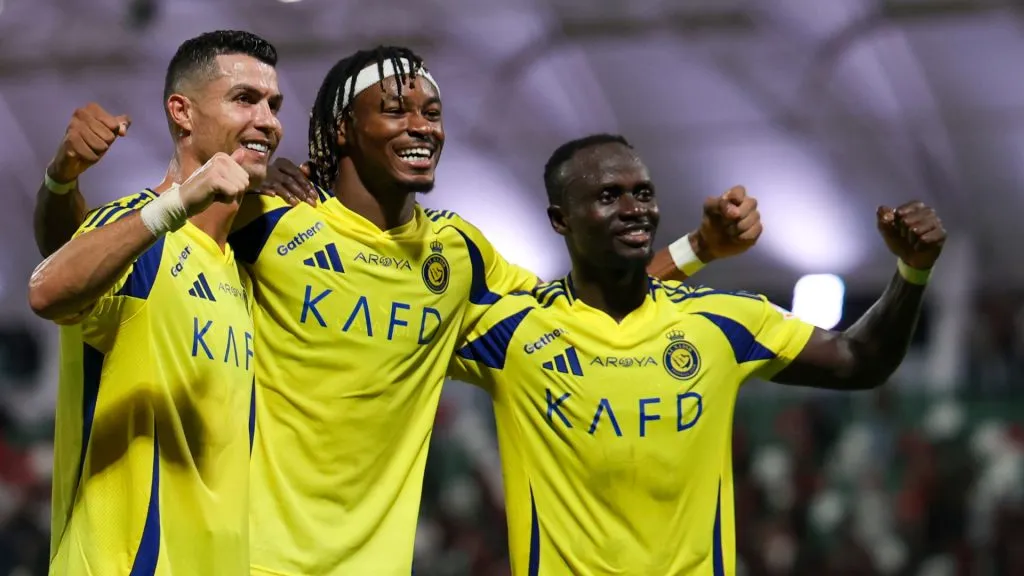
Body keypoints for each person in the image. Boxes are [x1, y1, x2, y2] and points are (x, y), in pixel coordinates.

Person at [32, 45, 760, 575]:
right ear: (343, 130)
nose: (422, 125)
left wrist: (695, 250)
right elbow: (84, 266)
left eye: (434, 112)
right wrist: (63, 180)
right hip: (243, 557)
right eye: (397, 110)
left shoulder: (459, 260)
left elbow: (587, 320)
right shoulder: (268, 221)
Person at [449, 133, 946, 575]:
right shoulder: (511, 333)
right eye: (608, 195)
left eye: (643, 192)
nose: (634, 208)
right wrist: (699, 248)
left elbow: (862, 359)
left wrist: (912, 271)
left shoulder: (720, 323)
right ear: (561, 219)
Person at [27, 30, 283, 575]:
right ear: (181, 112)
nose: (269, 120)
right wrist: (175, 203)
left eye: (273, 105)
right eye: (245, 99)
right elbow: (45, 289)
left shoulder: (239, 270)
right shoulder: (142, 233)